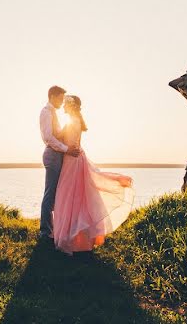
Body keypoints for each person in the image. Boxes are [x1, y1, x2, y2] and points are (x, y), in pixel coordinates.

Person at [52, 94, 136, 255]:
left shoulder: (72, 122)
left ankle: (70, 238)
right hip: (76, 159)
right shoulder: (75, 121)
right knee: (77, 197)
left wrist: (54, 129)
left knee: (69, 197)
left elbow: (66, 142)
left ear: (71, 106)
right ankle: (79, 239)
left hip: (72, 161)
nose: (63, 106)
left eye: (65, 104)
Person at [39, 85, 80, 241]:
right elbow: (48, 138)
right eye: (61, 98)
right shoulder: (45, 112)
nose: (62, 102)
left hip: (59, 155)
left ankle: (56, 228)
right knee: (50, 194)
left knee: (57, 193)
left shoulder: (53, 113)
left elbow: (58, 134)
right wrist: (66, 149)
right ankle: (45, 232)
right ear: (52, 96)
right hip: (52, 155)